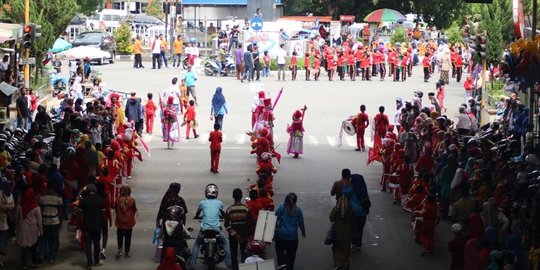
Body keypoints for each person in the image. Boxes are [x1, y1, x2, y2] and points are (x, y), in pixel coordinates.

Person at [190, 184, 232, 269]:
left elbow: (198, 213)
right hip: (216, 230)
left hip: (204, 230)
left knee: (196, 245)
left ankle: (192, 265)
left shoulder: (202, 203)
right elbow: (222, 213)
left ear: (206, 193)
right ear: (216, 193)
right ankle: (229, 263)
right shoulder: (220, 203)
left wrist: (197, 216)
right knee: (225, 243)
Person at [274, 192, 305, 270]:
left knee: (280, 252)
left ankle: (282, 264)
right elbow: (301, 222)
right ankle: (289, 267)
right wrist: (303, 231)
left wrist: (273, 230)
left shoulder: (281, 208)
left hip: (281, 236)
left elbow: (274, 219)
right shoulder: (298, 210)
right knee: (291, 256)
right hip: (293, 238)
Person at [225, 188, 251, 270]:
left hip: (233, 236)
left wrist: (235, 234)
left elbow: (226, 224)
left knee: (233, 254)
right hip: (244, 235)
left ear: (233, 197)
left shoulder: (229, 210)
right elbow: (250, 222)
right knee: (244, 253)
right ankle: (244, 267)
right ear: (241, 196)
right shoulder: (246, 209)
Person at [80, 183, 105, 269]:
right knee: (97, 244)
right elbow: (103, 214)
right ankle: (97, 261)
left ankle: (89, 263)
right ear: (95, 190)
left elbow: (80, 214)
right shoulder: (100, 200)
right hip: (97, 226)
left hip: (87, 225)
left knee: (88, 245)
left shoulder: (83, 201)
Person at [16, 189, 42, 269]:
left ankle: (24, 265)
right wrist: (40, 230)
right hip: (33, 229)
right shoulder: (36, 206)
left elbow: (17, 218)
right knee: (34, 247)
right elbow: (39, 220)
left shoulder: (20, 205)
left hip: (23, 229)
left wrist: (17, 228)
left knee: (24, 248)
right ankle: (34, 263)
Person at [38, 181, 63, 264]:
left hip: (44, 221)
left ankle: (42, 254)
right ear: (54, 187)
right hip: (54, 222)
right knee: (54, 240)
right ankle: (52, 258)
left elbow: (40, 211)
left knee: (43, 239)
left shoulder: (42, 198)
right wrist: (61, 222)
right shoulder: (58, 198)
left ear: (47, 187)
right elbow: (60, 212)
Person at [114, 185, 137, 258]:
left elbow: (116, 209)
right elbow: (134, 210)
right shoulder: (132, 200)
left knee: (119, 236)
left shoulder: (117, 199)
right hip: (129, 221)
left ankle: (120, 250)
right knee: (128, 236)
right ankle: (127, 251)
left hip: (120, 221)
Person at [0, 179, 14, 263]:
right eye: (10, 186)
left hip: (5, 218)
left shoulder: (10, 194)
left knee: (3, 234)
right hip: (1, 217)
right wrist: (7, 207)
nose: (11, 187)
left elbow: (13, 205)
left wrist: (6, 206)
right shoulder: (0, 193)